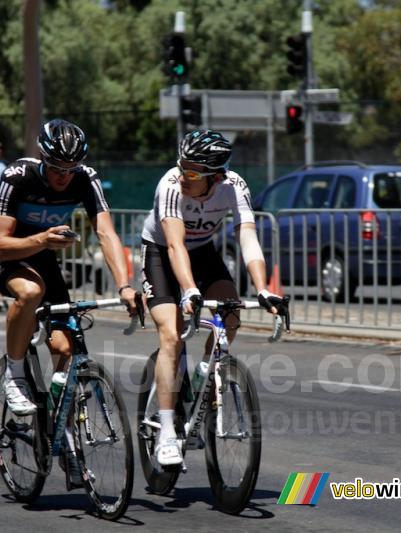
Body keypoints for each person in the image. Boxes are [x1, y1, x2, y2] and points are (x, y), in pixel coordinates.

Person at [140, 129, 282, 466]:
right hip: (161, 253)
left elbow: (247, 236)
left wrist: (262, 288)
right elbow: (174, 245)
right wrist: (188, 289)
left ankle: (206, 372)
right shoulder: (171, 184)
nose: (182, 174)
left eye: (192, 172)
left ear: (215, 177)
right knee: (171, 336)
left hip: (202, 251)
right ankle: (166, 433)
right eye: (181, 165)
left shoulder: (235, 187)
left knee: (231, 315)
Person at [0, 119, 137, 415]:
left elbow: (106, 233)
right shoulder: (18, 176)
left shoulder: (86, 178)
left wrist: (125, 286)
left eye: (71, 168)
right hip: (2, 249)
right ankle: (15, 375)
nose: (64, 176)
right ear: (42, 157)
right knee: (30, 291)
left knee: (64, 349)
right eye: (56, 167)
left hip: (42, 253)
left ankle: (58, 427)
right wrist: (41, 238)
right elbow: (0, 245)